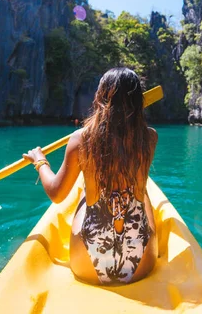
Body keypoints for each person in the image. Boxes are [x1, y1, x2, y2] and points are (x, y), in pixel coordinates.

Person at [23, 67, 158, 285]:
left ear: (100, 98)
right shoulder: (150, 138)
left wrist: (40, 161)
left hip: (87, 263)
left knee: (87, 195)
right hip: (141, 263)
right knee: (141, 194)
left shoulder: (80, 139)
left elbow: (57, 195)